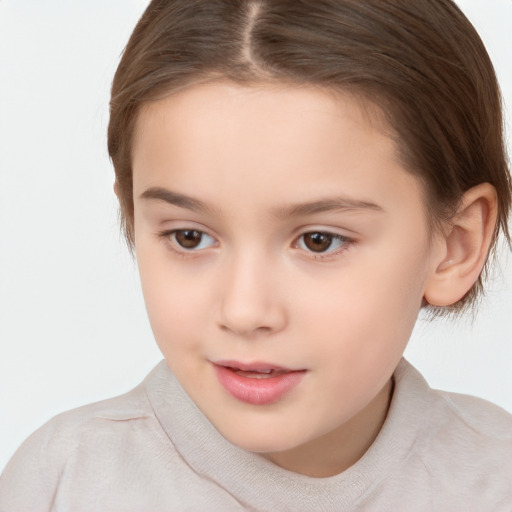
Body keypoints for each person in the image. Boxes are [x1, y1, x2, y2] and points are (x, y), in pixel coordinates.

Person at [1, 0, 511, 510]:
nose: (245, 311)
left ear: (455, 245)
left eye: (319, 240)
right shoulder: (62, 484)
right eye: (189, 237)